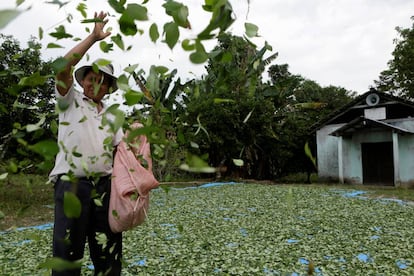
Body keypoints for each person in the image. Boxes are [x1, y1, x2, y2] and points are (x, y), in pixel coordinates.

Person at [49, 11, 124, 275]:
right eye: (91, 78)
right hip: (72, 186)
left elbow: (121, 151)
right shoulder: (69, 101)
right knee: (67, 257)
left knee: (108, 256)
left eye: (101, 81)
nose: (95, 83)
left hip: (104, 189)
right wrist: (93, 37)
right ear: (82, 82)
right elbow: (62, 67)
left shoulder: (112, 115)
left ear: (107, 88)